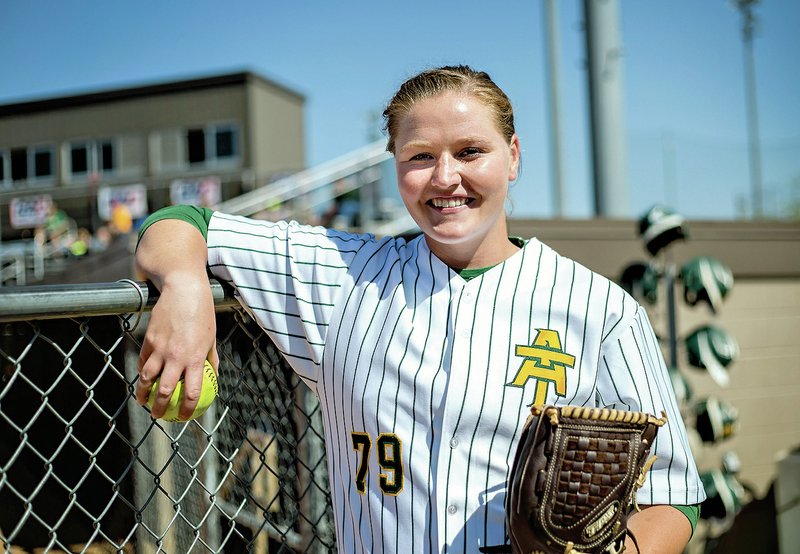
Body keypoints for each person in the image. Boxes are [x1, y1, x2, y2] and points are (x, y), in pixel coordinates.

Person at [135, 65, 704, 553]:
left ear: (513, 157)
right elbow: (179, 225)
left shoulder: (600, 309)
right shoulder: (341, 272)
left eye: (470, 151)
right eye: (420, 156)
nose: (445, 177)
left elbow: (673, 498)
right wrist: (185, 290)